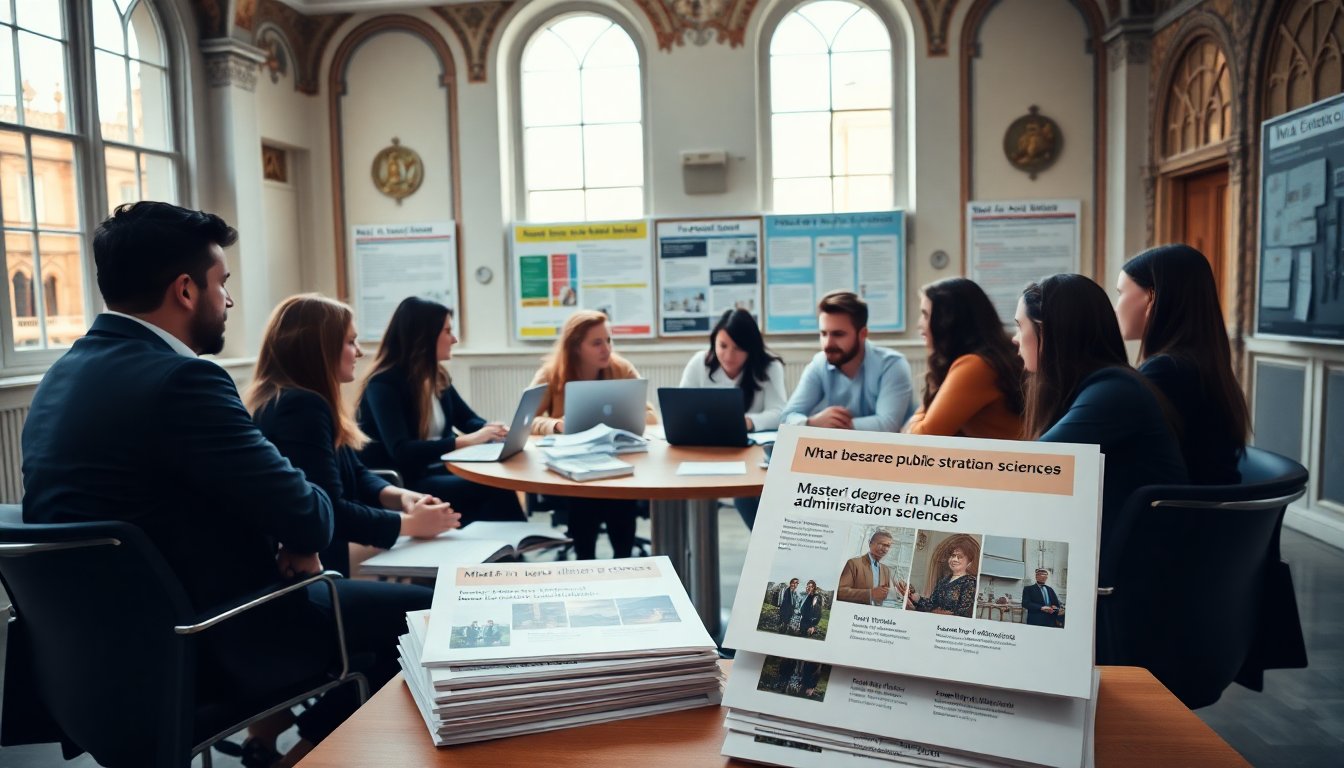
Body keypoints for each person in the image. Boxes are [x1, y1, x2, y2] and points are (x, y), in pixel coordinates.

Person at [18, 202, 375, 767]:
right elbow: (312, 516)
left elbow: (161, 504)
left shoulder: (63, 376)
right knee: (424, 616)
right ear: (186, 290)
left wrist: (278, 526)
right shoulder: (185, 380)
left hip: (99, 663)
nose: (228, 300)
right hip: (209, 639)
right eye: (222, 284)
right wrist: (290, 533)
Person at [247, 294, 459, 579]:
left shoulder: (304, 401)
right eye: (350, 341)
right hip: (316, 576)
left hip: (325, 562)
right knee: (426, 600)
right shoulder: (301, 408)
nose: (359, 352)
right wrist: (409, 524)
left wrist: (403, 497)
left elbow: (356, 473)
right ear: (318, 349)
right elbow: (333, 510)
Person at [1014, 275, 1188, 540]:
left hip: (1143, 558)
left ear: (1047, 331)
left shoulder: (1115, 391)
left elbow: (1032, 467)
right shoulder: (1098, 386)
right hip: (1121, 543)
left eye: (1019, 326)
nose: (1015, 339)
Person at [356, 296, 525, 523]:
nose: (454, 339)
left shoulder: (436, 377)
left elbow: (468, 420)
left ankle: (506, 553)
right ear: (424, 337)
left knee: (497, 480)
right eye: (447, 331)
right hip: (406, 483)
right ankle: (513, 553)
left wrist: (492, 430)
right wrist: (469, 440)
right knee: (493, 487)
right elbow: (402, 451)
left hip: (440, 469)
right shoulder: (383, 384)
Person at [1115, 244, 1249, 484]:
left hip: (1177, 513)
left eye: (1120, 293)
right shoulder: (1197, 364)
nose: (1116, 308)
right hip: (1206, 512)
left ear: (1151, 297)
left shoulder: (1167, 372)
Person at [529, 310, 656, 559]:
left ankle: (623, 565)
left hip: (617, 462)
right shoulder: (551, 374)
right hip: (573, 467)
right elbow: (527, 419)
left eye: (608, 340)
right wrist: (556, 425)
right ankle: (585, 564)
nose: (606, 349)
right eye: (597, 343)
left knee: (620, 497)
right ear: (575, 347)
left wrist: (626, 418)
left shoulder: (620, 368)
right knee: (585, 499)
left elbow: (651, 415)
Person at [679, 308, 787, 528]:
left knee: (745, 494)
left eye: (738, 348)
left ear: (750, 348)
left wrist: (748, 422)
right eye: (722, 346)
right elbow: (680, 408)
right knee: (685, 489)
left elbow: (779, 413)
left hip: (749, 453)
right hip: (701, 450)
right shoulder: (700, 362)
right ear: (714, 342)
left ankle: (765, 547)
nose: (728, 355)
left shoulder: (770, 367)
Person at [905, 277, 1024, 439]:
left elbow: (922, 437)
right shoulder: (988, 358)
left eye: (925, 315)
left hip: (1009, 462)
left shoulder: (977, 366)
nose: (920, 324)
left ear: (947, 322)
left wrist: (913, 421)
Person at [781, 291, 913, 432]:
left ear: (862, 334)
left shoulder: (892, 365)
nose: (828, 343)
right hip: (840, 451)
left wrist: (834, 424)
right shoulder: (819, 364)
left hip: (889, 452)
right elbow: (786, 417)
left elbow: (888, 425)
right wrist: (811, 422)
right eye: (823, 333)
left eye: (838, 334)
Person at [904, 534, 979, 618]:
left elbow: (961, 612)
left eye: (960, 557)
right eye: (953, 556)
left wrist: (935, 612)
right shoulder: (944, 580)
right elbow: (932, 603)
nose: (954, 559)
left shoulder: (970, 582)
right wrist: (917, 598)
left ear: (969, 562)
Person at [836, 529, 896, 606]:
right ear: (870, 543)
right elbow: (840, 592)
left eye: (888, 546)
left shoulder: (886, 570)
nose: (885, 549)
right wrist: (870, 593)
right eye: (881, 544)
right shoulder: (853, 563)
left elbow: (886, 596)